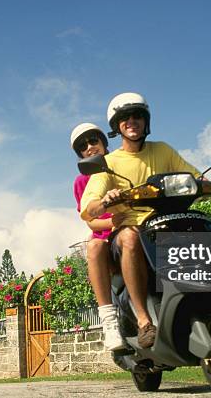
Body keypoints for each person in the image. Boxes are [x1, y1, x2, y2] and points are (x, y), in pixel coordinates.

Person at [80, 92, 201, 349]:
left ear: (146, 121)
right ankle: (145, 322)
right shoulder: (108, 163)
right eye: (125, 118)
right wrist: (104, 201)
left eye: (137, 116)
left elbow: (194, 176)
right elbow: (89, 207)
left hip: (166, 223)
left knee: (200, 225)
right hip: (130, 232)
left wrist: (206, 184)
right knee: (129, 235)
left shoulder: (163, 150)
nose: (131, 121)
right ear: (117, 126)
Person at [70, 122, 126, 351]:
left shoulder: (124, 163)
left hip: (136, 225)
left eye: (93, 141)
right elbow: (90, 220)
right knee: (93, 248)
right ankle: (109, 322)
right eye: (83, 147)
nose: (90, 148)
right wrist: (114, 221)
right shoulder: (81, 181)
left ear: (103, 141)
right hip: (106, 236)